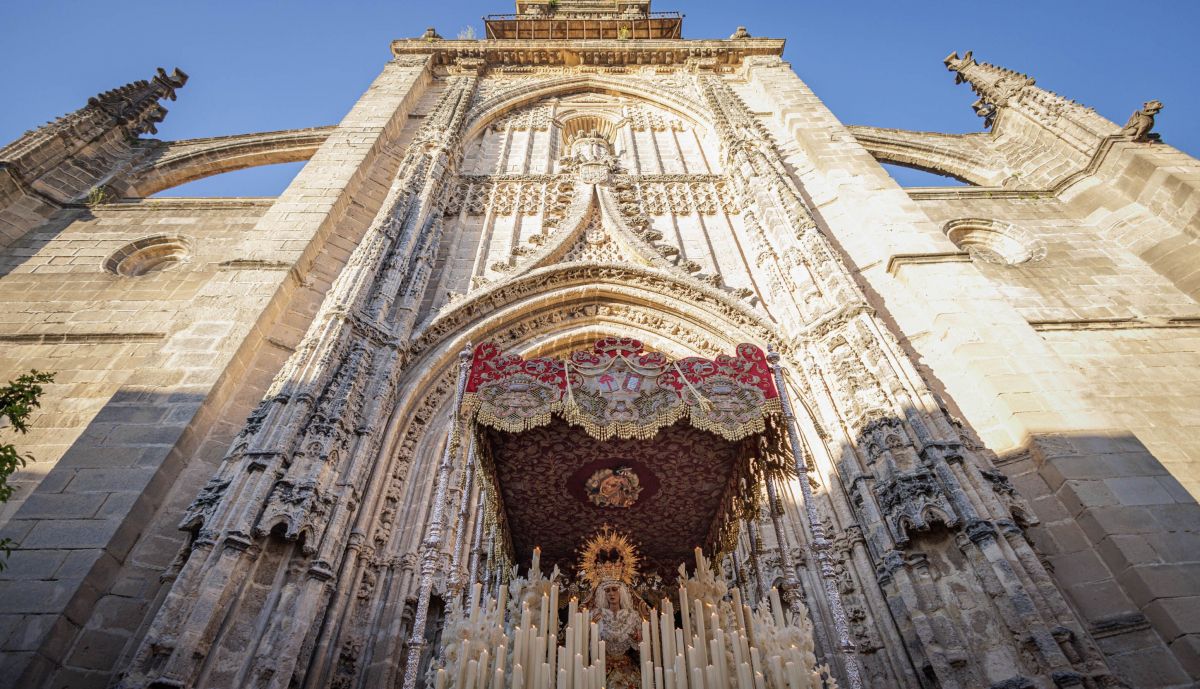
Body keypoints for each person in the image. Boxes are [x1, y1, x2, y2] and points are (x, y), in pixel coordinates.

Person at [590, 582, 642, 689]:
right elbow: (588, 644)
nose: (611, 594)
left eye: (614, 589)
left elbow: (641, 646)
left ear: (621, 592)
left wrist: (636, 638)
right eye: (607, 591)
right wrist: (592, 630)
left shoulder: (632, 616)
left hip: (626, 666)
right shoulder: (597, 616)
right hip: (602, 665)